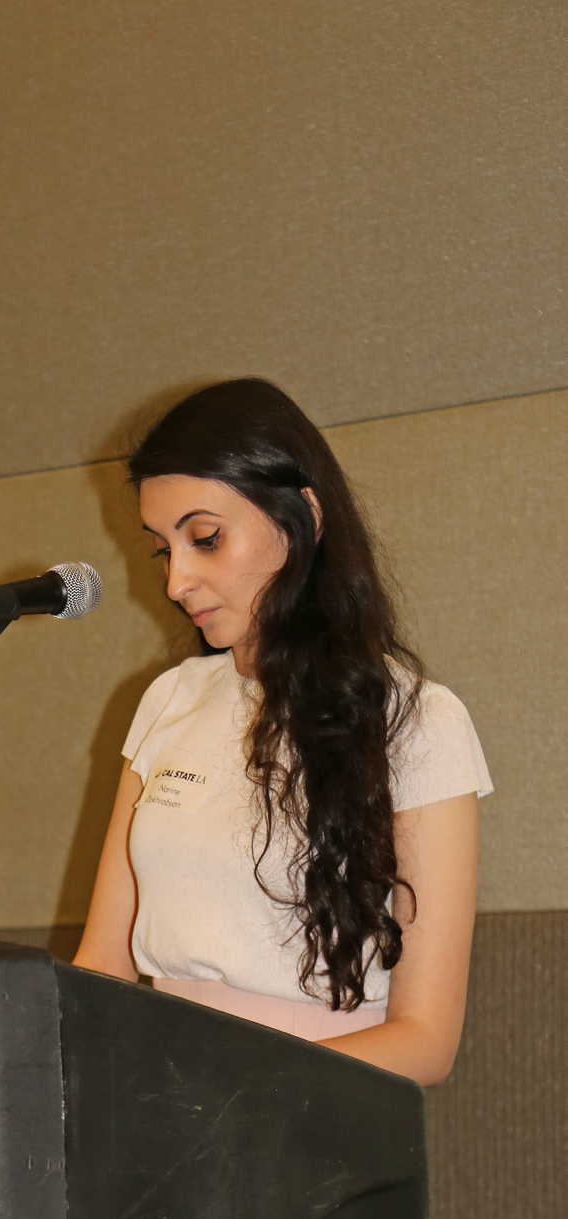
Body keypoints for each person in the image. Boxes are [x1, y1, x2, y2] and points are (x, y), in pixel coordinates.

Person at [74, 379, 492, 1087]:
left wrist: (231, 1096)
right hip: (156, 1112)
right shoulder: (168, 700)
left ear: (301, 516)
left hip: (314, 1122)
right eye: (161, 550)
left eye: (204, 539)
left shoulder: (419, 722)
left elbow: (424, 1042)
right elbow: (100, 970)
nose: (177, 581)